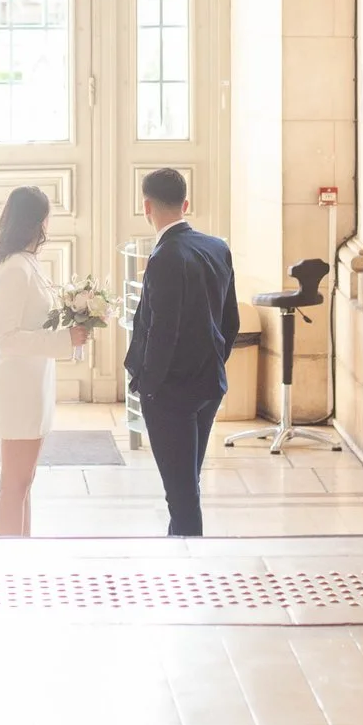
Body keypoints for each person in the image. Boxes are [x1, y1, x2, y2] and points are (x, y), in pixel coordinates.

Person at [123, 166, 237, 537]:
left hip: (172, 393)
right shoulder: (217, 247)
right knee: (187, 485)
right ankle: (181, 554)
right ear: (186, 203)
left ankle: (189, 569)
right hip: (208, 385)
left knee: (182, 496)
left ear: (146, 207)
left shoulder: (165, 257)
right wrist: (214, 365)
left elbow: (162, 332)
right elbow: (230, 321)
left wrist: (149, 387)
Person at [0, 185, 85, 536]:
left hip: (34, 382)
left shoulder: (27, 263)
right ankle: (10, 567)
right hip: (16, 386)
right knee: (14, 484)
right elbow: (6, 338)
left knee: (24, 482)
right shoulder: (14, 268)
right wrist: (63, 339)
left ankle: (25, 558)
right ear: (36, 221)